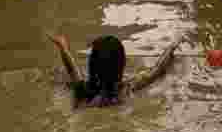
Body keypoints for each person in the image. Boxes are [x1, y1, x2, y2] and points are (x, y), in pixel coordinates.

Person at [47, 33, 183, 107]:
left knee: (61, 79)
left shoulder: (82, 89)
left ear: (92, 64)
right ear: (122, 64)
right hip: (118, 114)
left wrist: (63, 49)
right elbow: (158, 70)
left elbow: (72, 70)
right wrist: (172, 46)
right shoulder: (127, 88)